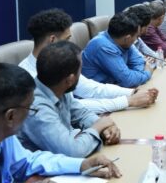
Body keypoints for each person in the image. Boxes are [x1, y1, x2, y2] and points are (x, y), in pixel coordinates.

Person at [19, 9, 157, 113]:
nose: (70, 44)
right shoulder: (28, 77)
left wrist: (132, 93)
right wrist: (127, 101)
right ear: (53, 40)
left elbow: (92, 89)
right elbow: (72, 107)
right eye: (67, 39)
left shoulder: (59, 63)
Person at [19, 41, 121, 157]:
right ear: (70, 80)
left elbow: (81, 114)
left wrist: (105, 129)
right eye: (80, 69)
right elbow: (73, 151)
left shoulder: (58, 87)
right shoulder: (36, 107)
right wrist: (97, 128)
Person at [82, 12, 154, 87]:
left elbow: (140, 62)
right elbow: (128, 80)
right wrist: (147, 73)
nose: (136, 40)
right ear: (127, 38)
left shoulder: (123, 40)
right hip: (97, 91)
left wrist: (137, 75)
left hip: (115, 86)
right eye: (136, 36)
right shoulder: (103, 46)